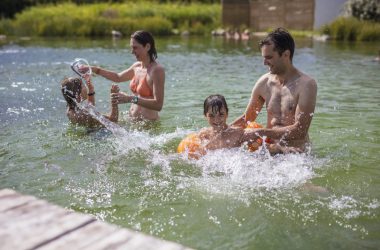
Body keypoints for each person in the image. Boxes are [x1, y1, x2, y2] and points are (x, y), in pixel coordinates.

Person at [232, 28, 317, 154]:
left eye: (269, 57)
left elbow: (300, 131)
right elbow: (247, 119)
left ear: (286, 55)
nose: (264, 63)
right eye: (264, 57)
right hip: (269, 151)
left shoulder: (306, 84)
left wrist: (261, 132)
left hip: (295, 155)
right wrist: (219, 133)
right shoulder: (264, 83)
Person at [90, 30, 165, 121]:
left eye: (135, 48)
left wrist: (130, 99)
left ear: (147, 46)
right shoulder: (136, 66)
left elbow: (158, 105)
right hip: (133, 123)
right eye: (131, 48)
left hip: (148, 127)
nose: (132, 52)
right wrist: (94, 69)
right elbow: (118, 77)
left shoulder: (157, 70)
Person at [179, 94, 265, 159]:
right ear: (205, 116)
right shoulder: (203, 134)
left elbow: (255, 149)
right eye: (211, 116)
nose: (216, 120)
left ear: (227, 114)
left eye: (221, 114)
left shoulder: (237, 133)